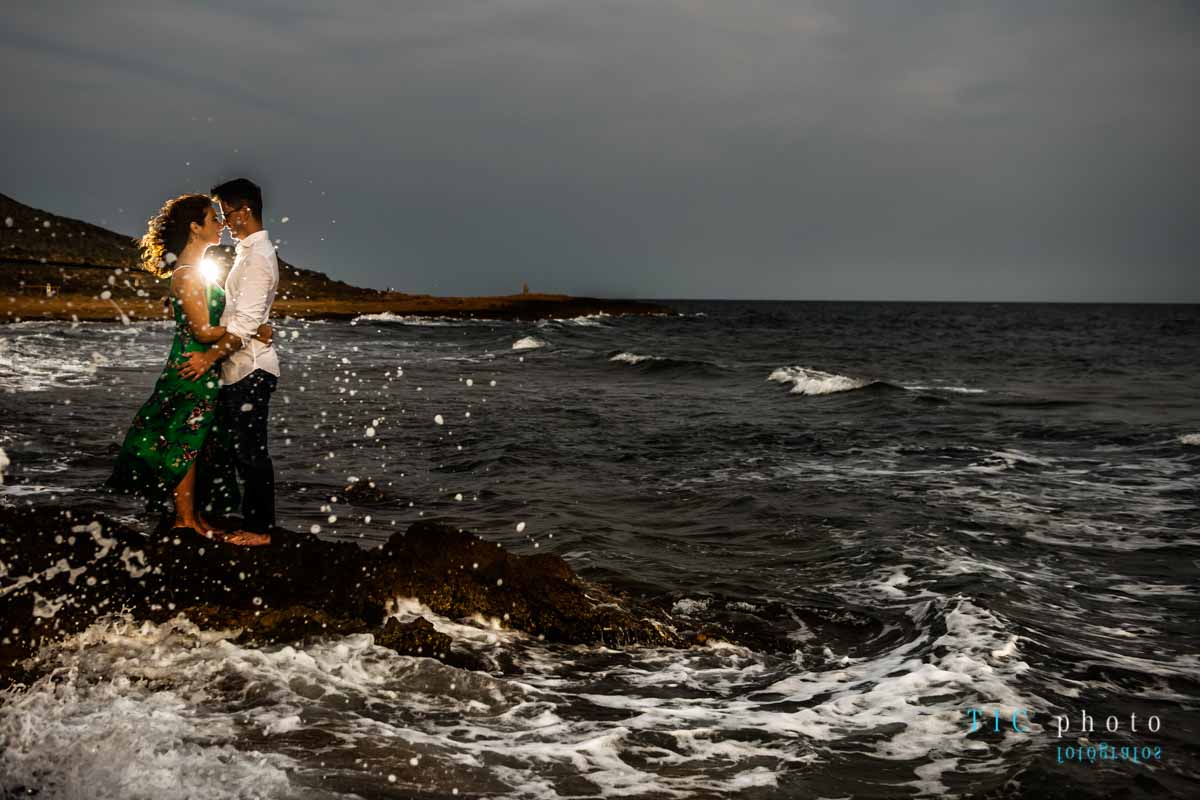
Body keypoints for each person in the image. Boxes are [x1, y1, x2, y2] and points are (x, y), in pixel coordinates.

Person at [106, 194, 272, 546]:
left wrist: (243, 328)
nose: (220, 224)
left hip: (204, 366)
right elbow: (202, 330)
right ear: (195, 228)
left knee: (195, 441)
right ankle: (184, 520)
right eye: (213, 219)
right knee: (185, 441)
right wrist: (254, 329)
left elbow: (214, 323)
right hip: (193, 365)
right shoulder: (186, 275)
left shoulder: (195, 271)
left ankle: (192, 517)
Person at [180, 178, 280, 544]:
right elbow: (245, 319)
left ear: (244, 212)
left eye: (225, 213)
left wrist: (207, 358)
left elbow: (240, 327)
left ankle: (259, 530)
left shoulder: (257, 258)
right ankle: (207, 514)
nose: (223, 221)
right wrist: (258, 328)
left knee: (252, 453)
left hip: (250, 368)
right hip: (239, 366)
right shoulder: (247, 254)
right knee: (227, 447)